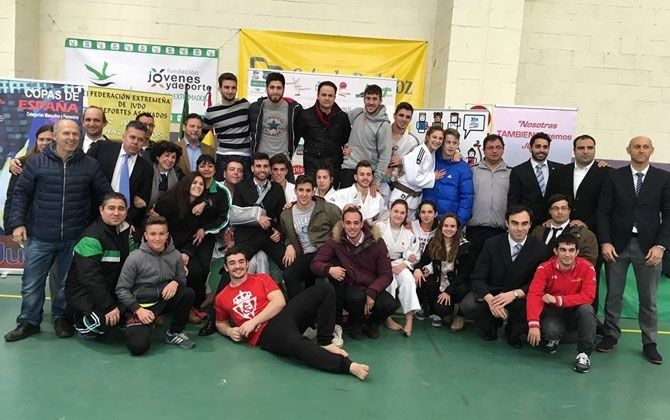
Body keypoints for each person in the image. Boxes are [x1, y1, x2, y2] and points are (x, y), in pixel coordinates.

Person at [4, 119, 112, 342]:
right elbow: (21, 194)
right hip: (40, 236)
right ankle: (29, 321)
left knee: (65, 283)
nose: (71, 138)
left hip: (74, 236)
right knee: (32, 282)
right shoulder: (36, 163)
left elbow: (105, 194)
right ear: (55, 136)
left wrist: (118, 211)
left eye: (75, 134)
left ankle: (61, 318)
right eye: (66, 133)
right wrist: (17, 223)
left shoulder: (90, 165)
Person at [214, 248, 369, 380]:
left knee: (324, 289)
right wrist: (229, 331)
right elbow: (220, 322)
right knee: (297, 343)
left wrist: (252, 321)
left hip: (283, 315)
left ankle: (325, 341)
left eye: (241, 261)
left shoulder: (262, 279)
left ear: (247, 264)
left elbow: (279, 302)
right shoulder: (221, 297)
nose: (237, 266)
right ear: (226, 267)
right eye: (232, 263)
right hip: (266, 334)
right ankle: (348, 366)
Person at [596, 136, 670, 364]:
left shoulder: (663, 178)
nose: (641, 150)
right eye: (636, 146)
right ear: (628, 150)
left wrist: (661, 246)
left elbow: (668, 215)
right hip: (617, 245)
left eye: (645, 147)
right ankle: (610, 335)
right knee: (613, 295)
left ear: (652, 151)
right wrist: (605, 242)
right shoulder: (614, 176)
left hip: (649, 247)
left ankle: (649, 342)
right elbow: (603, 212)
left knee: (648, 299)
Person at [460, 206, 547, 347]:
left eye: (524, 223)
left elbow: (539, 282)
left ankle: (513, 327)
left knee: (527, 316)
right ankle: (491, 323)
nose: (519, 228)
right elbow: (477, 276)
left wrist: (515, 294)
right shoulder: (491, 243)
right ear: (507, 223)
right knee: (468, 305)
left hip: (519, 296)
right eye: (515, 223)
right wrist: (490, 300)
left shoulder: (540, 249)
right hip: (493, 292)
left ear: (530, 224)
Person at [311, 207, 397, 340]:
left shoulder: (377, 241)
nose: (352, 227)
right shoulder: (335, 241)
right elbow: (315, 263)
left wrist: (372, 292)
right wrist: (329, 269)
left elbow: (386, 274)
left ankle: (373, 323)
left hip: (372, 285)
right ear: (343, 224)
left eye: (356, 223)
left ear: (362, 224)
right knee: (356, 298)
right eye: (348, 223)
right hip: (351, 287)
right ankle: (355, 323)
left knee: (389, 304)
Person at [115, 216, 196, 355]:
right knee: (137, 347)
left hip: (163, 299)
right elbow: (121, 289)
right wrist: (138, 310)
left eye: (161, 234)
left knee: (187, 293)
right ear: (146, 236)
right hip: (142, 304)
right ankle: (138, 322)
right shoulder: (135, 257)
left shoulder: (175, 255)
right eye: (153, 234)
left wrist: (176, 282)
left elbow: (182, 277)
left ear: (167, 235)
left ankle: (174, 332)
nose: (157, 238)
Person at [65, 192, 135, 338]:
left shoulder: (127, 232)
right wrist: (108, 306)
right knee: (103, 323)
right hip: (86, 292)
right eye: (111, 208)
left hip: (111, 289)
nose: (116, 213)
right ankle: (80, 321)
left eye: (121, 208)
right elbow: (90, 278)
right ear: (101, 210)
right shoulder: (91, 238)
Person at [526, 234, 597, 373]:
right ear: (556, 251)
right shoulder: (544, 268)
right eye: (563, 250)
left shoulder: (587, 267)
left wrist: (559, 300)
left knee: (587, 309)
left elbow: (588, 296)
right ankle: (554, 338)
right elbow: (534, 294)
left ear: (577, 252)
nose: (567, 254)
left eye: (571, 250)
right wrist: (533, 324)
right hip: (554, 312)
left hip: (576, 311)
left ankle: (584, 354)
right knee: (551, 331)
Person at [154, 173, 216, 318]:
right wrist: (175, 254)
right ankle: (160, 309)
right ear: (186, 184)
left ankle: (192, 307)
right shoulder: (169, 202)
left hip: (186, 248)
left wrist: (187, 252)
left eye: (201, 184)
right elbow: (158, 231)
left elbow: (195, 234)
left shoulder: (200, 207)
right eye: (194, 183)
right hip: (164, 248)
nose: (198, 186)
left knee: (196, 271)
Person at [280, 175, 341, 300]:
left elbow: (341, 228)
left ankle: (337, 312)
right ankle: (300, 309)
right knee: (289, 275)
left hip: (325, 252)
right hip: (305, 256)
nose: (304, 194)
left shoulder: (327, 208)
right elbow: (286, 234)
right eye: (301, 190)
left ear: (313, 192)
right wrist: (289, 245)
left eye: (308, 190)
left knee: (337, 274)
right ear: (295, 191)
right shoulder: (286, 214)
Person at [87, 120, 153, 234]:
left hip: (123, 223)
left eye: (140, 140)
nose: (135, 142)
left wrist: (127, 221)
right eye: (132, 137)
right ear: (124, 136)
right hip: (93, 216)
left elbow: (143, 200)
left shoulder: (146, 168)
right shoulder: (102, 148)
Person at [414, 213, 476, 331]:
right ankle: (441, 311)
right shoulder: (434, 242)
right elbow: (423, 261)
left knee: (463, 289)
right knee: (441, 309)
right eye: (446, 226)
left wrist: (448, 291)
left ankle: (460, 315)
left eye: (452, 226)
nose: (449, 229)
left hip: (456, 285)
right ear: (441, 227)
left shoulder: (466, 246)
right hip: (441, 282)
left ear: (457, 228)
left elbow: (465, 274)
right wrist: (418, 269)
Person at [376, 200, 421, 336]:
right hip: (380, 264)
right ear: (390, 211)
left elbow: (415, 254)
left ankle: (409, 320)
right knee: (389, 281)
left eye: (402, 213)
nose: (398, 215)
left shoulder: (409, 234)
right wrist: (385, 265)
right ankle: (387, 318)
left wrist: (405, 264)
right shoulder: (379, 227)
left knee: (408, 280)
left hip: (399, 264)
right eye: (396, 211)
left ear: (406, 215)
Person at [339, 84, 392, 192]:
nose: (371, 102)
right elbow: (338, 124)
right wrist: (344, 146)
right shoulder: (357, 113)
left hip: (367, 174)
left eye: (374, 99)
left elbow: (385, 156)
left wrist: (376, 181)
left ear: (380, 101)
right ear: (364, 99)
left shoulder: (384, 125)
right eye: (368, 98)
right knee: (345, 202)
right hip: (349, 169)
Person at [466, 134, 512, 255]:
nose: (494, 151)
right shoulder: (472, 170)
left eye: (498, 147)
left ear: (503, 149)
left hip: (500, 231)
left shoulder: (511, 173)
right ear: (484, 150)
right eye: (490, 147)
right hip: (475, 230)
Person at [301, 80, 351, 187]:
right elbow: (295, 138)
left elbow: (347, 141)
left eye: (330, 95)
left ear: (334, 97)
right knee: (311, 195)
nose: (327, 98)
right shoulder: (305, 115)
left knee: (332, 196)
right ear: (318, 96)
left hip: (333, 167)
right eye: (323, 95)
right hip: (312, 166)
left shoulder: (343, 117)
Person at [388, 126, 446, 218]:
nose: (437, 141)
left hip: (413, 198)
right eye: (434, 137)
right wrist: (432, 177)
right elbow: (412, 178)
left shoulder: (431, 152)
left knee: (408, 226)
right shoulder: (420, 152)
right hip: (402, 196)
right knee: (395, 224)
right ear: (428, 137)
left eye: (440, 138)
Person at [249, 72, 303, 169]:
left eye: (279, 88)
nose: (275, 91)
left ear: (283, 89)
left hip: (283, 162)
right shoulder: (255, 108)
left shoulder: (294, 110)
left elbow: (298, 134)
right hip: (261, 163)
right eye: (272, 87)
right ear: (266, 89)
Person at [204, 72, 252, 180]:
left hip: (245, 156)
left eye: (233, 88)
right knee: (220, 188)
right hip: (223, 157)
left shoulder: (245, 105)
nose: (230, 91)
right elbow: (201, 134)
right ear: (219, 89)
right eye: (226, 87)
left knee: (247, 189)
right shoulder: (211, 112)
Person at [4, 124, 53, 230]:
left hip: (50, 224)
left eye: (49, 140)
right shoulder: (21, 163)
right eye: (41, 139)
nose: (45, 143)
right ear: (36, 141)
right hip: (26, 224)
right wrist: (10, 225)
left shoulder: (63, 165)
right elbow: (12, 196)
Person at [508, 132, 561, 228]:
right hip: (526, 225)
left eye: (545, 147)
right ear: (530, 148)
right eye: (538, 146)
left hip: (553, 224)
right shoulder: (518, 171)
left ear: (549, 149)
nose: (541, 150)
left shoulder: (559, 169)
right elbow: (513, 201)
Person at [421, 128, 474, 223]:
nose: (451, 146)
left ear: (458, 145)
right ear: (442, 143)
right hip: (427, 220)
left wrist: (458, 222)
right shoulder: (430, 159)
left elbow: (467, 198)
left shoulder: (463, 168)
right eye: (448, 142)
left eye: (454, 143)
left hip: (449, 224)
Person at [530, 194, 598, 265]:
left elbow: (588, 263)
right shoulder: (538, 232)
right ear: (550, 211)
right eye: (555, 208)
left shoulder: (585, 235)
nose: (560, 212)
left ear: (569, 211)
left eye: (564, 208)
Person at [380, 102, 420, 204]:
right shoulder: (380, 133)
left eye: (408, 117)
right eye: (401, 115)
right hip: (378, 182)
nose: (404, 119)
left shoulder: (413, 141)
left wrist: (402, 161)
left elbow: (416, 166)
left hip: (400, 187)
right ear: (394, 115)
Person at [148, 140, 184, 210]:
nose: (170, 160)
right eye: (167, 155)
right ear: (157, 157)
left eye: (173, 157)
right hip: (146, 212)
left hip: (169, 213)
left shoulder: (178, 174)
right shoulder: (147, 172)